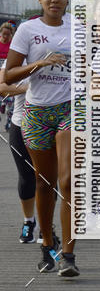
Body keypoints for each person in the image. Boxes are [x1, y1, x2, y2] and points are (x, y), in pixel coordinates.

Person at [4, 0, 77, 275]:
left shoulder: (80, 27)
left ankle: (69, 255)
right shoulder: (27, 30)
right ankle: (47, 242)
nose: (54, 0)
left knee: (69, 181)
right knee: (43, 184)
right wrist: (39, 63)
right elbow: (8, 76)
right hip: (36, 112)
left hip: (71, 108)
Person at [0, 58, 38, 242]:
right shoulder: (16, 59)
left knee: (49, 178)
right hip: (21, 124)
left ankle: (49, 227)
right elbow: (3, 87)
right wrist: (27, 89)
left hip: (51, 125)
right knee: (26, 176)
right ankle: (28, 222)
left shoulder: (58, 54)